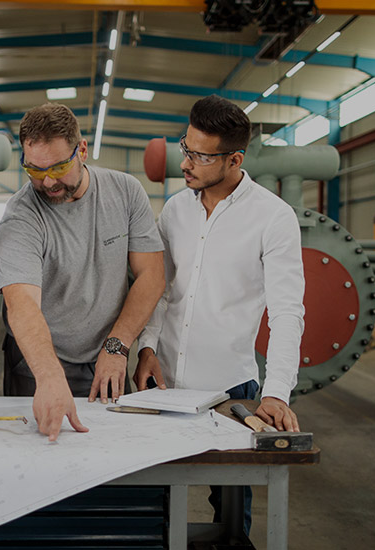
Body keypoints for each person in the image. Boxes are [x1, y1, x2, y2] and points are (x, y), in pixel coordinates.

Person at [135, 95, 305, 537]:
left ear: (235, 159)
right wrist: (147, 347)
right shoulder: (176, 209)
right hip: (163, 384)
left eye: (200, 156)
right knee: (152, 498)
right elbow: (159, 290)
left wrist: (277, 393)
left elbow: (287, 312)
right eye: (185, 148)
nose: (185, 163)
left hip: (228, 390)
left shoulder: (273, 218)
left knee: (230, 511)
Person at [0, 103, 165, 441]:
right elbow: (22, 304)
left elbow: (151, 275)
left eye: (58, 167)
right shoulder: (21, 216)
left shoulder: (126, 192)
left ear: (81, 150)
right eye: (34, 170)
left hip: (107, 351)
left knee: (114, 448)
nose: (47, 181)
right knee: (37, 450)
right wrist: (48, 375)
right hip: (37, 361)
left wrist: (117, 347)